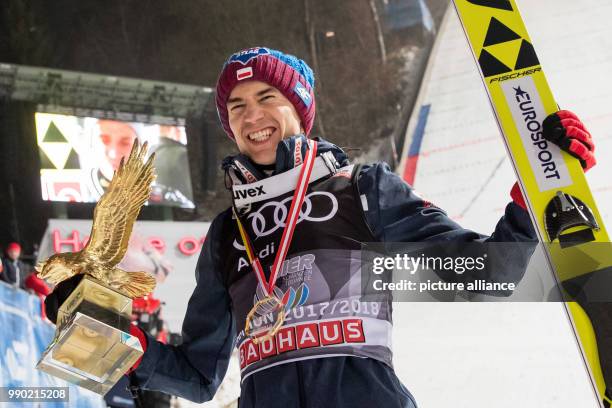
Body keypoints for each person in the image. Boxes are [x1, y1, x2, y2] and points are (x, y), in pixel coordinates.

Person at [44, 47, 596, 407]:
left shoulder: (361, 189)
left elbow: (483, 277)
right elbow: (195, 374)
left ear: (299, 108)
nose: (250, 114)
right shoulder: (226, 233)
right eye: (235, 107)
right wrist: (100, 330)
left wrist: (536, 194)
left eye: (267, 97)